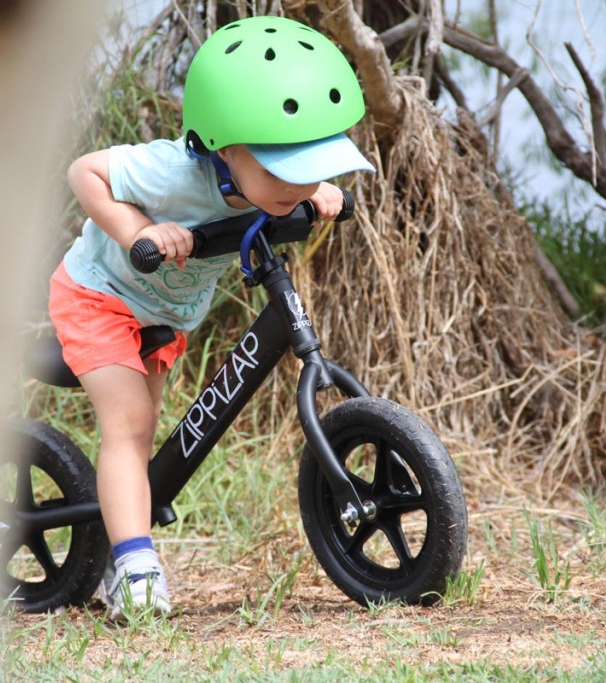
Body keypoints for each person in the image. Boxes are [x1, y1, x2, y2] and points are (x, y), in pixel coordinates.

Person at [49, 14, 374, 619]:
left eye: (313, 165)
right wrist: (140, 231)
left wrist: (317, 189)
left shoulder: (274, 183)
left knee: (144, 435)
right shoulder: (171, 173)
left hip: (164, 311)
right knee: (131, 426)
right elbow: (84, 172)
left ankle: (124, 529)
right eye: (284, 168)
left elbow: (300, 175)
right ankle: (136, 568)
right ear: (224, 147)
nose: (298, 182)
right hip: (99, 295)